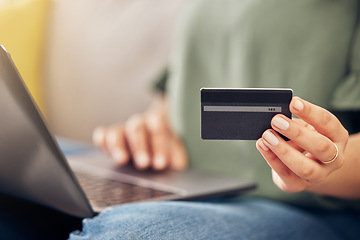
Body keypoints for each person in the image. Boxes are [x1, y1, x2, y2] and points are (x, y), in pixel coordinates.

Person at [69, 1, 360, 239]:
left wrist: (320, 164)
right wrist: (150, 132)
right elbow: (180, 87)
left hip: (300, 208)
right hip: (182, 181)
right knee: (38, 180)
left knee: (127, 234)